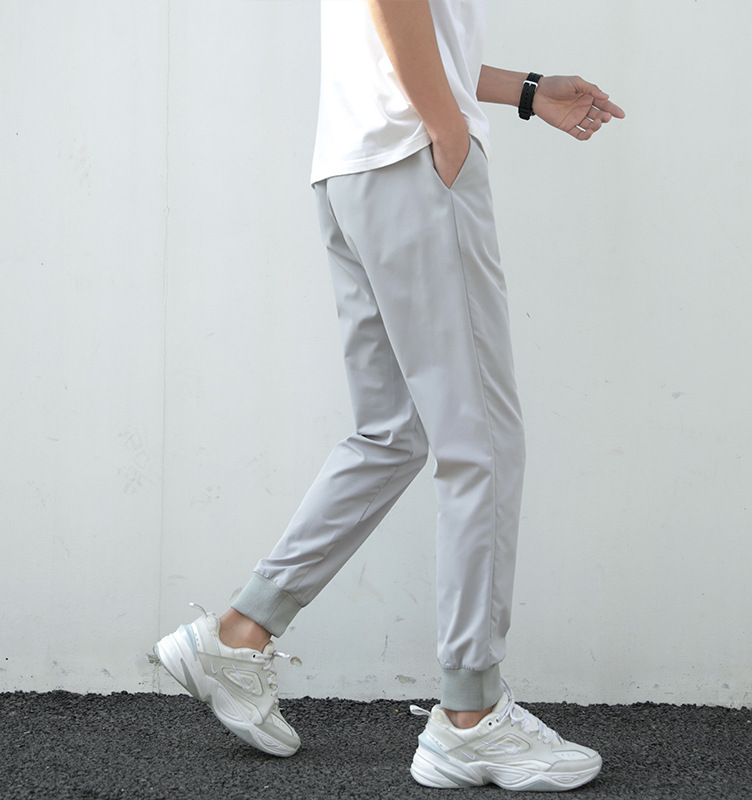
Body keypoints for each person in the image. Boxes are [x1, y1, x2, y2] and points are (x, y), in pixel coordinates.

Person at [155, 0, 624, 792]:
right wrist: (446, 129)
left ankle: (238, 632)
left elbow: (407, 36)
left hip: (353, 169)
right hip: (412, 161)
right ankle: (471, 718)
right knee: (481, 442)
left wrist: (525, 89)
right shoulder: (428, 139)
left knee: (392, 433)